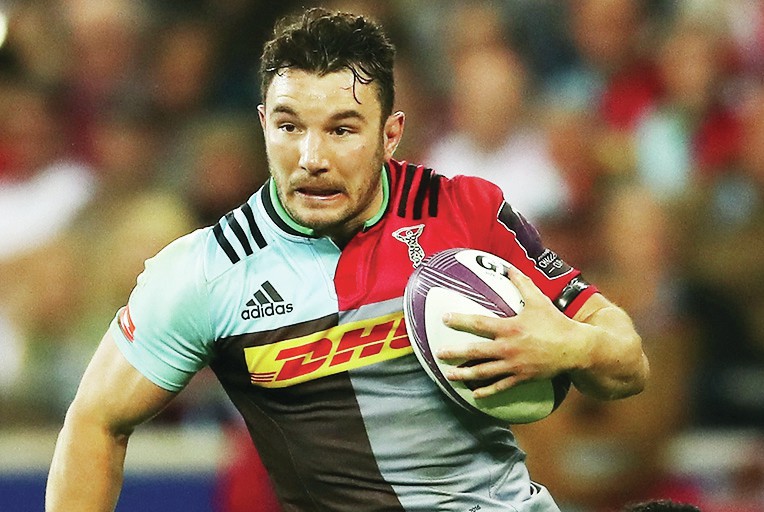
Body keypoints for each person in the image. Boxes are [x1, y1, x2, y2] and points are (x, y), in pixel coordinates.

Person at [46, 8, 649, 511]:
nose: (311, 157)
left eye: (341, 130)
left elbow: (629, 363)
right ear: (263, 125)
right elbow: (95, 422)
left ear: (390, 134)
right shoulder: (207, 271)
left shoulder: (466, 210)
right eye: (289, 127)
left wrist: (573, 345)